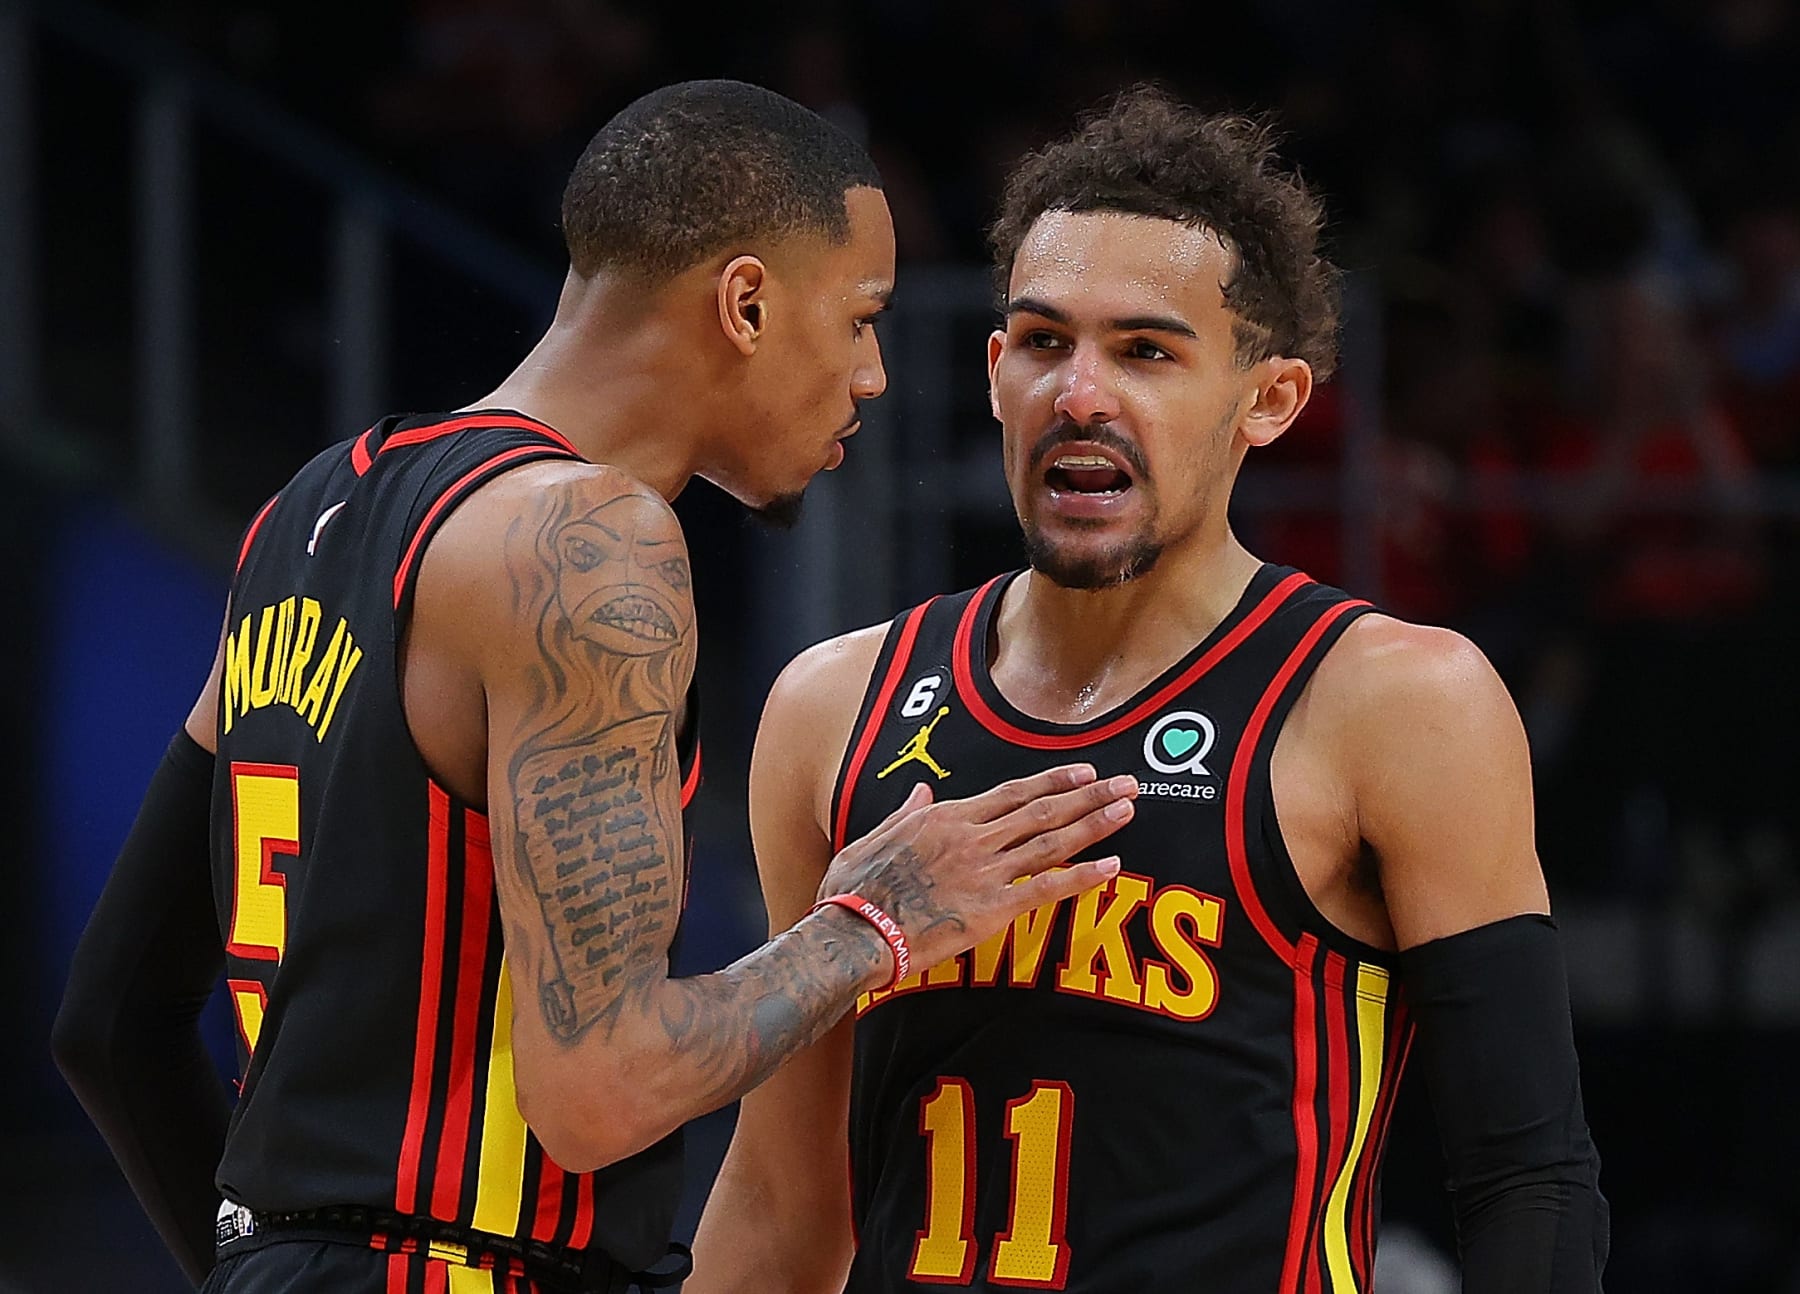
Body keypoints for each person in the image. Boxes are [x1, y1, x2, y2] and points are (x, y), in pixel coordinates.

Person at [50, 80, 1139, 1294]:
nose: (875, 374)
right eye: (861, 318)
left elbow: (112, 1015)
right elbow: (603, 1087)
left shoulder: (314, 509)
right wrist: (872, 924)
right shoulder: (591, 543)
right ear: (745, 302)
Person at [689, 87, 1608, 1293]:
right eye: (1042, 340)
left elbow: (1528, 1178)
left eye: (1146, 351)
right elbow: (779, 1211)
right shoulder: (833, 703)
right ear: (992, 371)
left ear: (1267, 400)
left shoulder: (1395, 699)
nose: (1080, 393)